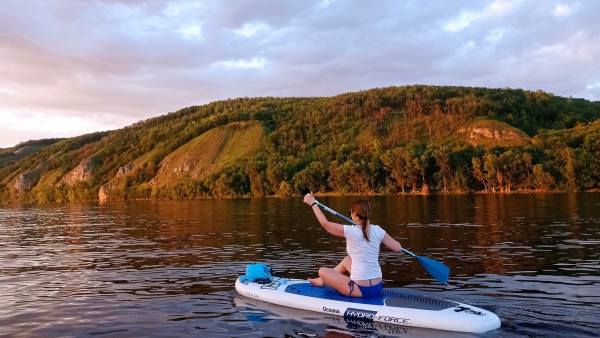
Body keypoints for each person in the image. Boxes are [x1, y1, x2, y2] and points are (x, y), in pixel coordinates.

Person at [303, 194, 403, 298]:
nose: (350, 214)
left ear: (355, 214)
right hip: (378, 287)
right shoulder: (379, 230)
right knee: (347, 260)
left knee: (322, 271)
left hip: (361, 290)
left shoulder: (351, 231)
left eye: (350, 212)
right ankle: (320, 281)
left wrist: (313, 203)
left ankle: (322, 278)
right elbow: (398, 248)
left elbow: (325, 224)